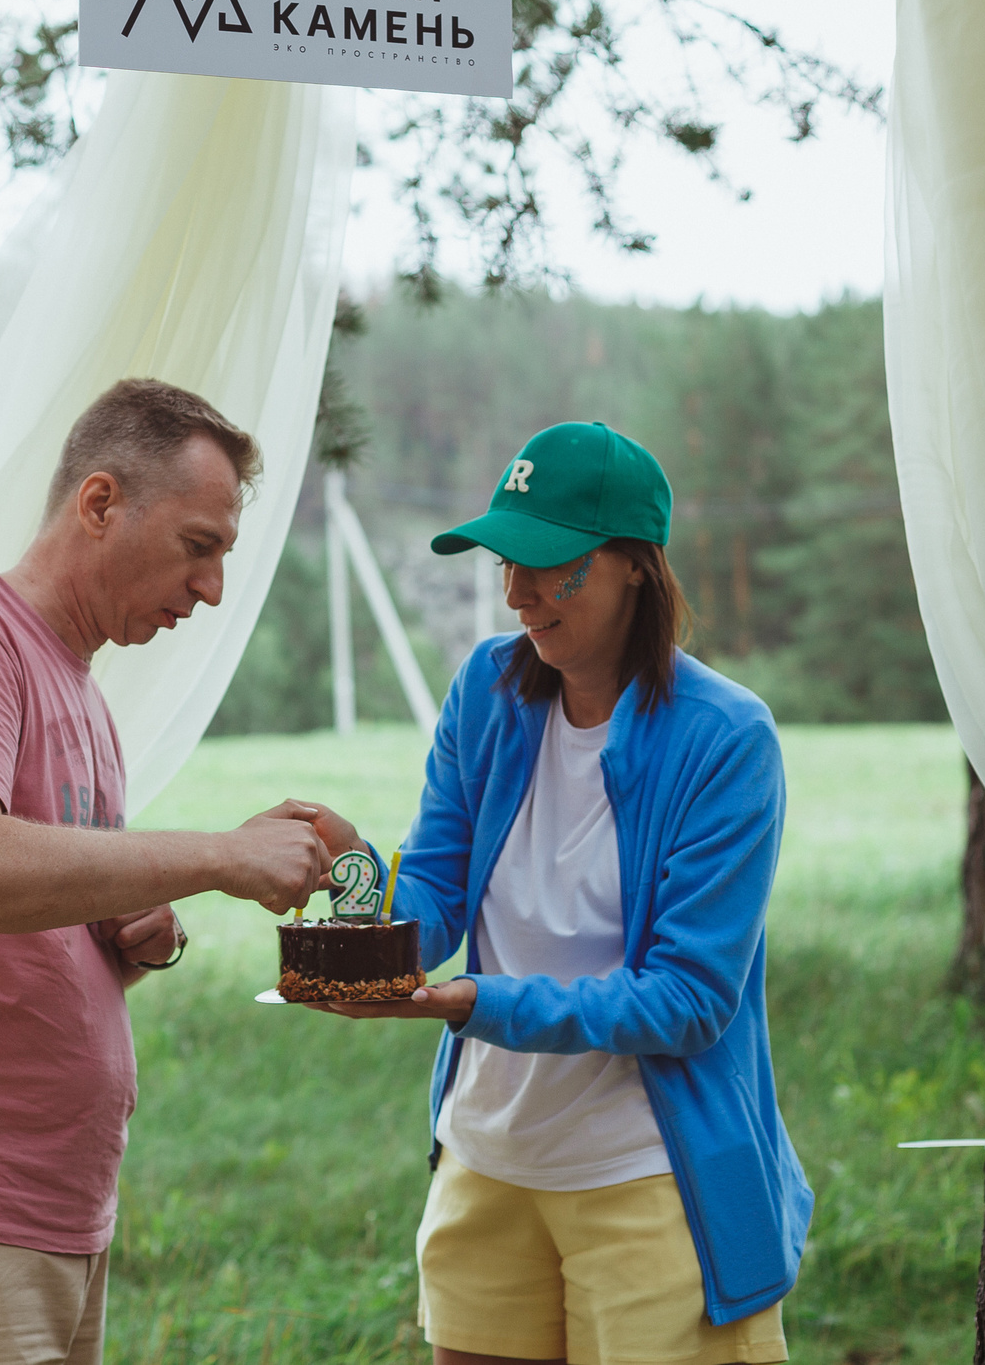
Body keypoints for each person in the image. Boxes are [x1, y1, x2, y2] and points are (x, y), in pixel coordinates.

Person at [0, 377, 356, 1365]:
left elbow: (24, 916)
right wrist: (218, 858)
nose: (212, 590)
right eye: (200, 547)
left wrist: (134, 938)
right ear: (99, 503)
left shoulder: (80, 691)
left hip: (47, 1216)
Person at [324, 420, 809, 1365]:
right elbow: (434, 886)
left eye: (551, 564)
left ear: (636, 565)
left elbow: (690, 999)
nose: (516, 590)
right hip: (485, 1160)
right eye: (507, 557)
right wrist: (356, 894)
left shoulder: (727, 740)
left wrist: (477, 1001)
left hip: (647, 1178)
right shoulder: (487, 690)